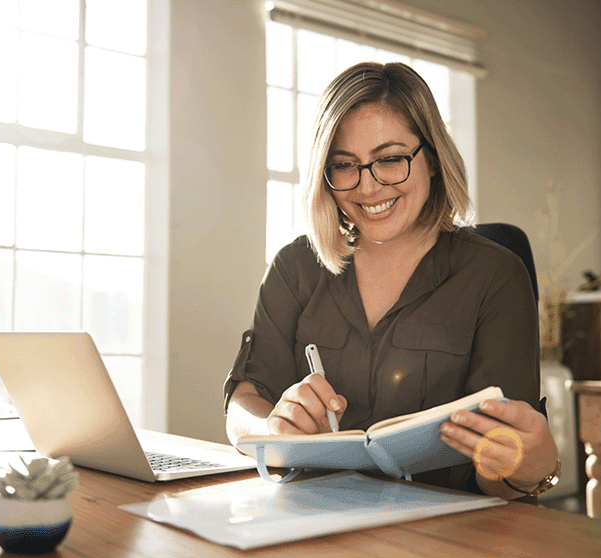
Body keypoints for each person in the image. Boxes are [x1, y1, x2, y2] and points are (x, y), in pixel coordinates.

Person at [223, 61, 559, 500]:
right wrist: (270, 428)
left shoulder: (496, 276)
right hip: (307, 522)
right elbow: (243, 401)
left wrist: (528, 468)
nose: (368, 186)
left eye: (390, 159)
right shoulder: (295, 266)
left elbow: (501, 477)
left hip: (446, 539)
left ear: (433, 159)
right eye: (345, 165)